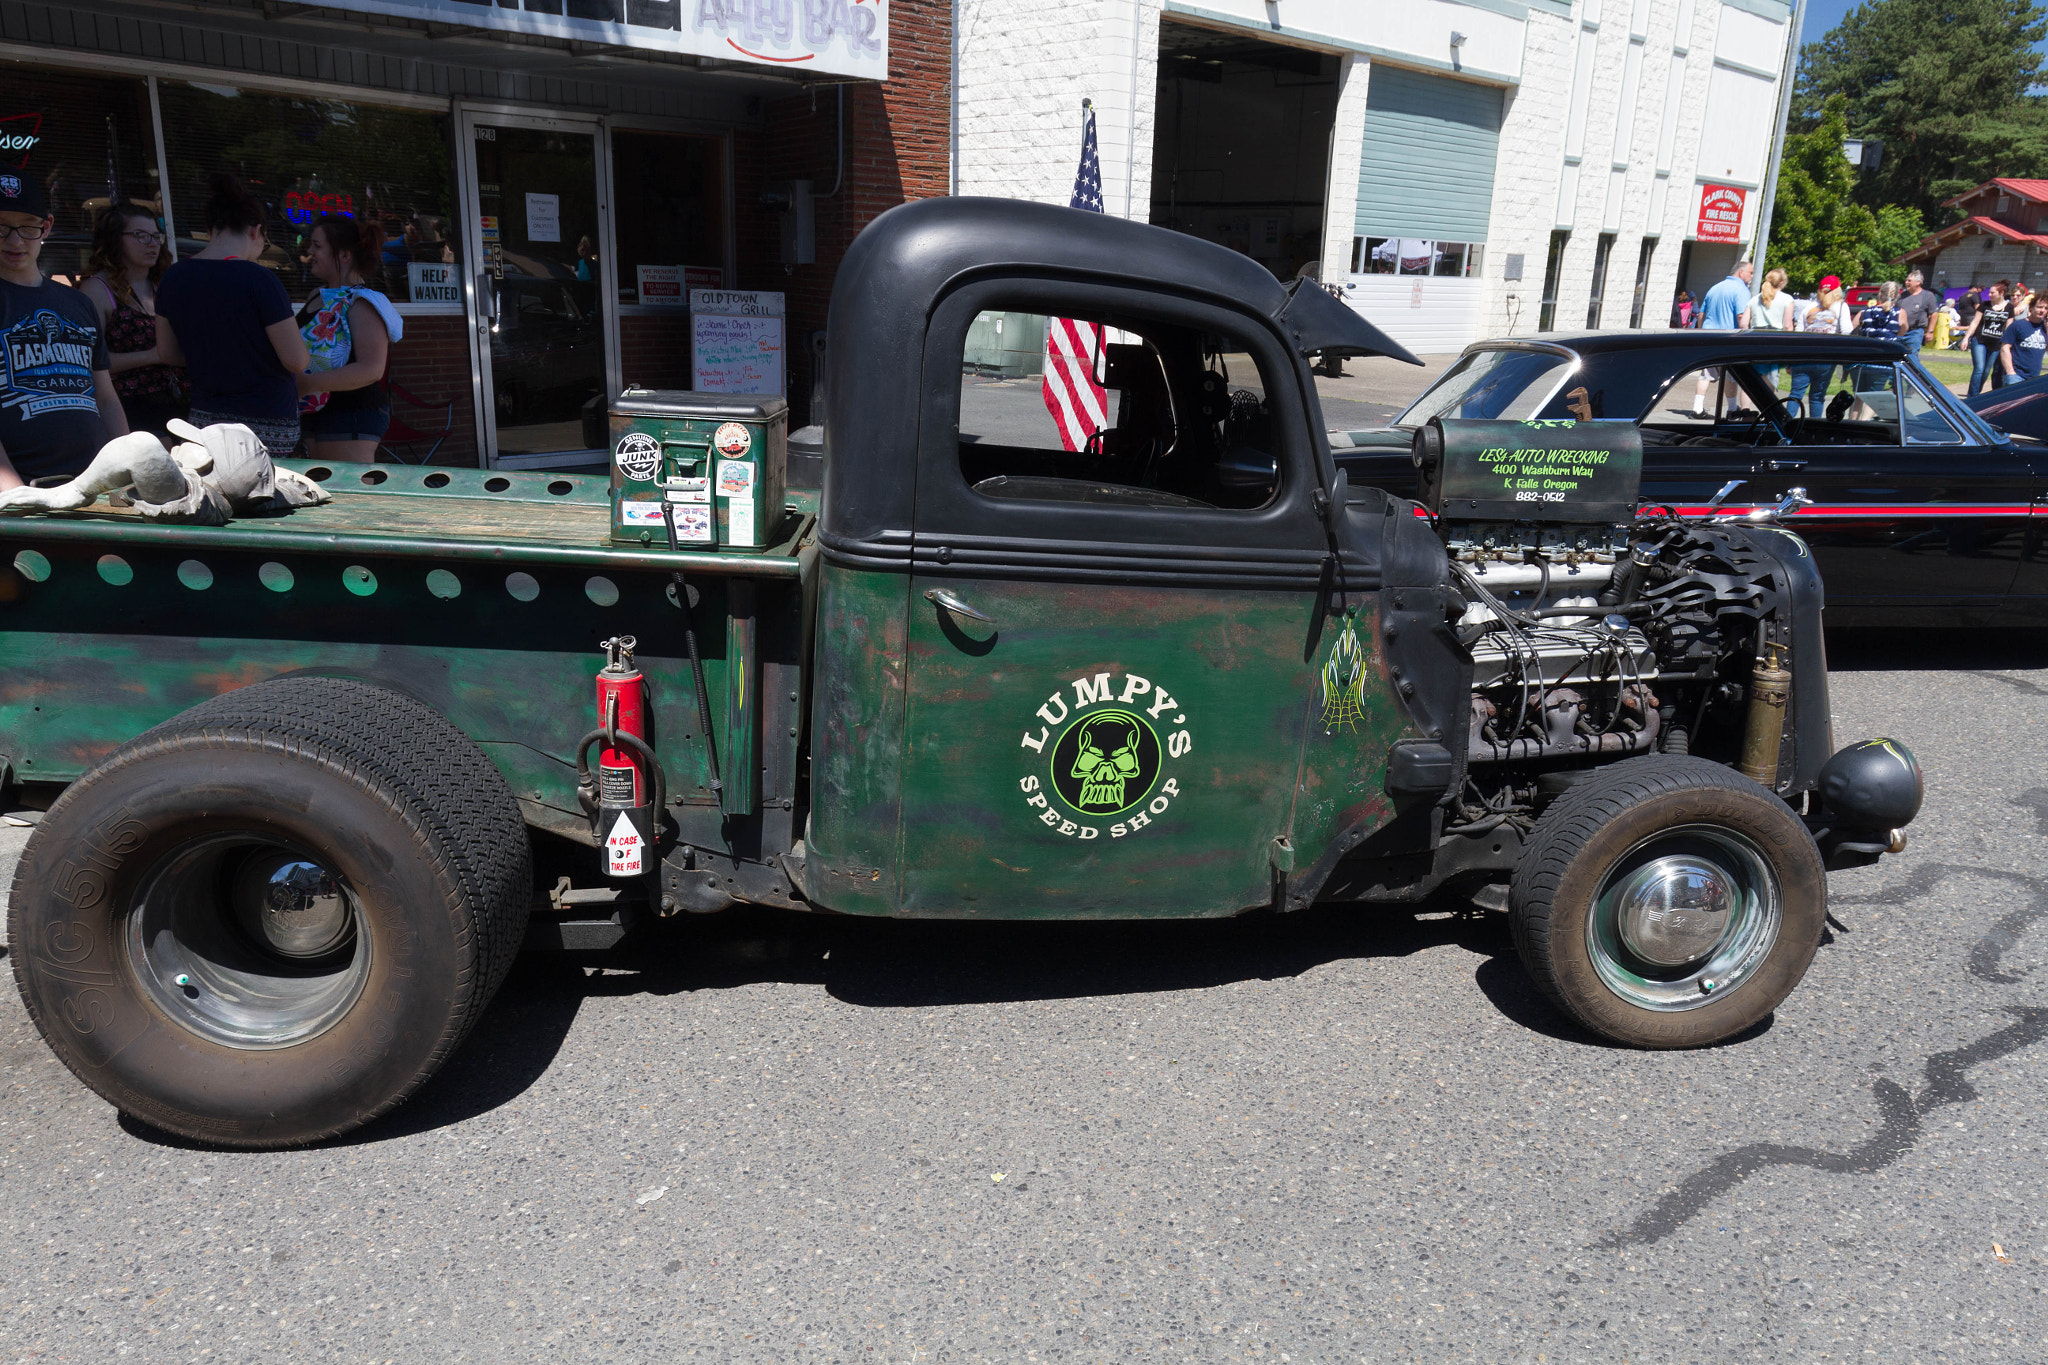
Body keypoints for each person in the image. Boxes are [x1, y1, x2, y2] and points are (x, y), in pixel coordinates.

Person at [153, 173, 310, 457]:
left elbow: (167, 353)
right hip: (267, 426)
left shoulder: (173, 277)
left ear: (211, 229)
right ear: (255, 230)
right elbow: (296, 360)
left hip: (205, 425)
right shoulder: (259, 279)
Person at [0, 171, 129, 490]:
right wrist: (16, 497)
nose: (14, 240)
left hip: (98, 487)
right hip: (27, 492)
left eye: (28, 226)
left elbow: (106, 397)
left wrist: (129, 467)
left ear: (47, 226)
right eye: (0, 226)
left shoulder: (78, 303)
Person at [295, 214, 403, 463]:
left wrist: (308, 385)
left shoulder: (363, 302)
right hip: (315, 411)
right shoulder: (316, 296)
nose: (310, 251)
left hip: (351, 412)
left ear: (344, 255)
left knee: (352, 493)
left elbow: (372, 369)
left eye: (317, 246)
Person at [79, 203, 185, 441]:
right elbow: (89, 362)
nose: (152, 243)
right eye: (140, 235)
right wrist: (154, 355)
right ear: (115, 240)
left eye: (156, 236)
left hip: (177, 402)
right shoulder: (97, 289)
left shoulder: (162, 283)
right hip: (127, 408)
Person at [1691, 260, 1754, 415]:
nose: (1752, 276)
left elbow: (1701, 315)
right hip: (1730, 339)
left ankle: (1697, 408)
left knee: (1706, 374)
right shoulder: (1742, 290)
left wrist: (1701, 332)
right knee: (1730, 376)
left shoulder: (1715, 288)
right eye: (1750, 273)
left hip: (1709, 336)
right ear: (1741, 272)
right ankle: (1732, 409)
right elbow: (1741, 317)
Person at [1788, 276, 1848, 420]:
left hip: (1803, 356)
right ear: (1837, 290)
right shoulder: (1840, 306)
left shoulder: (1808, 307)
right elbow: (1846, 330)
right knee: (1817, 397)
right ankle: (1814, 430)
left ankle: (1783, 427)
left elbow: (1798, 334)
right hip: (1825, 357)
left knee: (1795, 395)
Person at [1961, 283, 2011, 394]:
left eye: (1992, 292)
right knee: (1979, 368)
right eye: (1989, 292)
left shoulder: (2009, 308)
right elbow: (1975, 322)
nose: (1989, 294)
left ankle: (1977, 393)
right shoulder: (1985, 305)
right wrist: (1966, 338)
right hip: (1980, 340)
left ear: (2001, 293)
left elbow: (2009, 328)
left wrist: (2007, 345)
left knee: (1986, 371)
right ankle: (1972, 395)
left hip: (1996, 344)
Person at [2000, 293, 2048, 386]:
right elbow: (2004, 348)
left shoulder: (2044, 328)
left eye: (2046, 308)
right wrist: (2010, 372)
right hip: (2017, 375)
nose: (2042, 310)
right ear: (2031, 307)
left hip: (2034, 377)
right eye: (2039, 307)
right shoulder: (2018, 325)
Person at [1895, 269, 1937, 355]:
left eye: (1909, 281)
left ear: (1918, 282)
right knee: (1896, 356)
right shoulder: (1901, 296)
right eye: (1906, 280)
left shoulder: (1927, 296)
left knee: (1912, 357)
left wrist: (1930, 331)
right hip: (1899, 332)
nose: (1906, 282)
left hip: (1914, 332)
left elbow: (1934, 314)